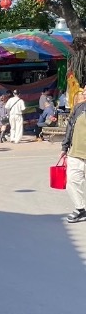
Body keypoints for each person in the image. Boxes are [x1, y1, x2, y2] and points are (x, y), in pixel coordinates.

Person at [61, 90, 86, 223]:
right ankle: (80, 208)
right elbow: (69, 127)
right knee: (72, 181)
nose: (85, 93)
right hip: (76, 153)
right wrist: (64, 147)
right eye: (85, 90)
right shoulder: (78, 108)